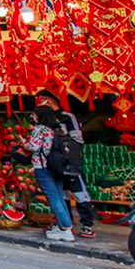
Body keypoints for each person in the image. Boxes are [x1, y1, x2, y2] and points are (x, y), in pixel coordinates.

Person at [35, 90, 95, 239]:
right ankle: (66, 223)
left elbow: (78, 138)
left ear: (50, 101)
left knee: (80, 192)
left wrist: (64, 147)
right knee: (62, 193)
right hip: (54, 162)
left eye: (42, 100)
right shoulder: (47, 119)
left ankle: (87, 225)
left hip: (70, 160)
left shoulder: (68, 117)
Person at [23, 101, 78, 242]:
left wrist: (24, 143)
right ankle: (64, 226)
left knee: (53, 197)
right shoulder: (55, 129)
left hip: (43, 167)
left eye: (34, 114)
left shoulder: (39, 129)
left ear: (39, 116)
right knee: (59, 196)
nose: (33, 116)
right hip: (57, 167)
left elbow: (34, 147)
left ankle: (65, 228)